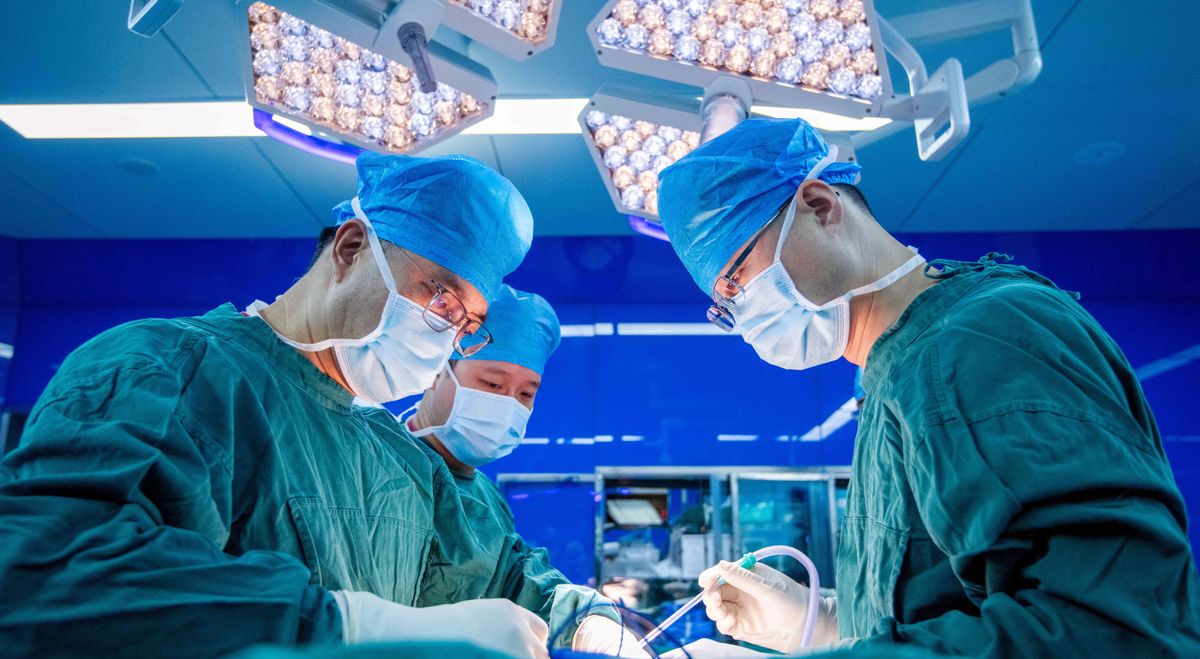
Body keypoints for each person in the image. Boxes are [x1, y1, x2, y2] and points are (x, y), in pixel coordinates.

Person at [653, 118, 1200, 656]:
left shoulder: (984, 341)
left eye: (738, 280)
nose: (743, 312)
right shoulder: (895, 379)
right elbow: (949, 603)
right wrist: (823, 626)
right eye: (725, 304)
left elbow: (1108, 629)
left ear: (819, 207)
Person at [0, 152, 551, 658]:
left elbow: (481, 571)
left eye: (465, 324)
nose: (445, 332)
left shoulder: (398, 457)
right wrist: (341, 623)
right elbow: (44, 570)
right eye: (440, 295)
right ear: (352, 248)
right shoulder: (166, 366)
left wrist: (583, 616)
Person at [401, 284, 646, 657]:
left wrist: (588, 621)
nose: (507, 404)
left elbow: (518, 582)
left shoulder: (484, 498)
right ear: (437, 371)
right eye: (492, 383)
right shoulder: (380, 462)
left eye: (526, 393)